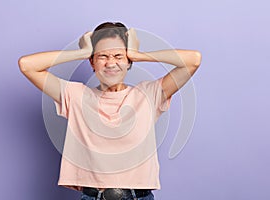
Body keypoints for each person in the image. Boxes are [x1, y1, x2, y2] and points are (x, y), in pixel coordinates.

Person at [18, 22, 201, 200]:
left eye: (118, 56)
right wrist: (81, 52)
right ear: (92, 62)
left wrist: (139, 54)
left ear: (129, 61)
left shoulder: (148, 94)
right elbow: (27, 65)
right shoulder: (75, 96)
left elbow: (193, 60)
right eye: (102, 56)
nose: (110, 63)